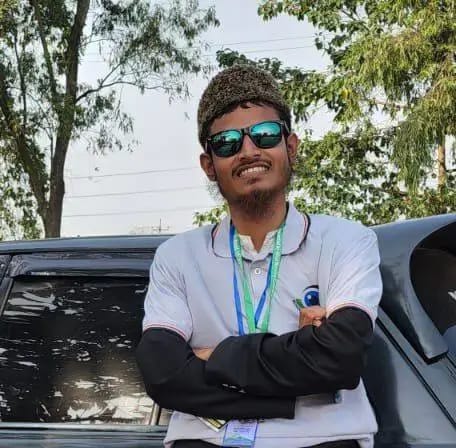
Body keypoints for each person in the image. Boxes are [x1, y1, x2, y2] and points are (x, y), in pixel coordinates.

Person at [136, 65, 382, 448]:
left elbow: (340, 357)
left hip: (323, 441)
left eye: (265, 134)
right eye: (227, 143)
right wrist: (297, 368)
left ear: (291, 146)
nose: (249, 151)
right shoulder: (177, 257)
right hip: (205, 442)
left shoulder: (346, 241)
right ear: (209, 165)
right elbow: (163, 373)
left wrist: (213, 355)